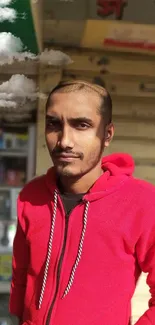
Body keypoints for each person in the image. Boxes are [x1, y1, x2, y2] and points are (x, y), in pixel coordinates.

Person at [9, 80, 155, 325]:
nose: (64, 140)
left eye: (82, 125)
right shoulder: (31, 196)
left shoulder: (142, 202)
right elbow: (21, 277)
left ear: (107, 134)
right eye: (54, 124)